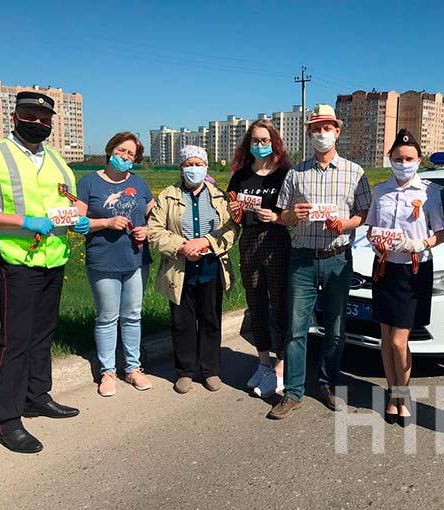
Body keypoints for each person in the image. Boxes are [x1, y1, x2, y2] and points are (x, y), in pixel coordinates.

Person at [0, 91, 88, 453]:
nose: (38, 123)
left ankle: (37, 395)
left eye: (45, 118)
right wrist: (24, 221)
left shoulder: (58, 160)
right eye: (30, 115)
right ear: (15, 116)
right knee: (15, 340)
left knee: (43, 334)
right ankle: (7, 419)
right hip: (16, 260)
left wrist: (77, 214)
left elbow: (71, 199)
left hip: (54, 258)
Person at [267, 104, 372, 419]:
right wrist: (291, 215)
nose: (321, 134)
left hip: (337, 258)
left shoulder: (356, 172)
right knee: (297, 329)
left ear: (337, 131)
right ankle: (293, 392)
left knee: (336, 329)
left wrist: (346, 224)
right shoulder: (295, 173)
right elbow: (282, 216)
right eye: (315, 129)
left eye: (327, 128)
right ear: (308, 134)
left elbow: (364, 213)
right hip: (302, 260)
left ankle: (327, 384)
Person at [366, 129, 444, 425]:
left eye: (409, 158)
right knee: (385, 339)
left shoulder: (429, 193)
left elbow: (439, 234)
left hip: (413, 270)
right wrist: (376, 240)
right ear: (390, 159)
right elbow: (371, 226)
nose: (403, 162)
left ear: (418, 160)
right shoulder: (380, 191)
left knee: (400, 341)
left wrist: (421, 243)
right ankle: (392, 394)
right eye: (398, 158)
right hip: (385, 268)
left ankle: (403, 393)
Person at [148, 146, 238, 394]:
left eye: (199, 163)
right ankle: (185, 371)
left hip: (211, 267)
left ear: (206, 167)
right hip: (179, 269)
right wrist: (181, 246)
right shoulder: (167, 196)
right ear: (181, 167)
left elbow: (231, 228)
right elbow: (154, 231)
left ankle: (210, 370)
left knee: (210, 319)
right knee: (182, 322)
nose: (194, 168)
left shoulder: (219, 195)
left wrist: (208, 242)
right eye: (189, 163)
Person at [75, 132, 154, 397]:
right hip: (103, 260)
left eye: (131, 154)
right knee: (107, 318)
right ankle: (107, 371)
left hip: (136, 260)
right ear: (110, 150)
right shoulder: (88, 182)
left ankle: (133, 368)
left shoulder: (140, 184)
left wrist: (148, 231)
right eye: (122, 151)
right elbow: (78, 223)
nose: (125, 157)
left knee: (133, 316)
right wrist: (106, 223)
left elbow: (156, 217)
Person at [227, 120, 292, 398]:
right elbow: (234, 214)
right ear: (248, 144)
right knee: (256, 303)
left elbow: (293, 215)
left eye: (265, 140)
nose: (260, 144)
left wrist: (276, 217)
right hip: (250, 241)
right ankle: (263, 362)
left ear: (274, 143)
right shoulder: (240, 176)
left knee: (279, 304)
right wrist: (234, 211)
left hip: (276, 241)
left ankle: (282, 366)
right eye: (255, 140)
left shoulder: (285, 175)